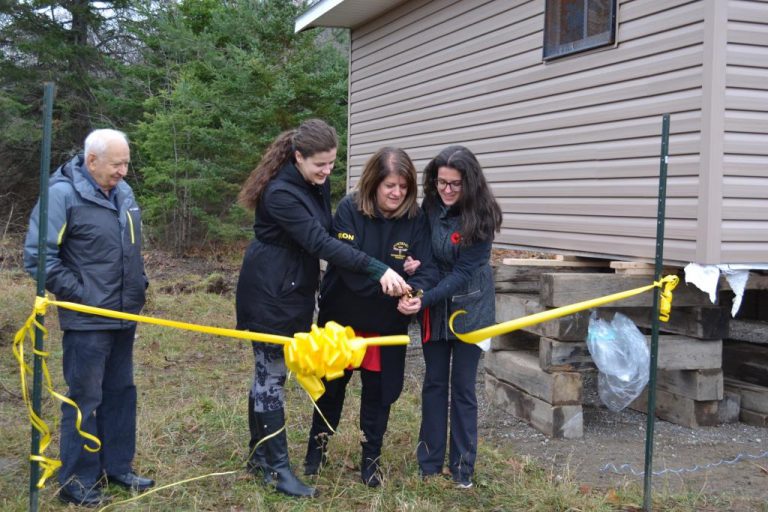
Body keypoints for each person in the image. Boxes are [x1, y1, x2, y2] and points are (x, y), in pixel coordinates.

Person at [235, 120, 409, 498]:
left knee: (269, 373)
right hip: (268, 291)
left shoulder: (312, 182)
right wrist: (377, 267)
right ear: (298, 157)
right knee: (270, 376)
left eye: (332, 163)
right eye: (320, 165)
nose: (328, 171)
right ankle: (277, 469)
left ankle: (258, 457)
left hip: (294, 289)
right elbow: (319, 241)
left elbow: (328, 232)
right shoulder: (281, 193)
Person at [23, 129, 154, 507]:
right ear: (91, 160)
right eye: (117, 164)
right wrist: (82, 295)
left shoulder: (124, 194)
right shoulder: (62, 195)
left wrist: (138, 284)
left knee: (121, 392)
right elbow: (39, 258)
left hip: (124, 314)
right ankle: (77, 479)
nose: (124, 171)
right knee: (85, 397)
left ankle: (117, 467)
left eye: (127, 162)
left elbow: (129, 249)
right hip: (87, 319)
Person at [301, 147, 438, 487]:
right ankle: (315, 452)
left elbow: (427, 269)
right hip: (342, 319)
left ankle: (370, 460)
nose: (396, 193)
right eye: (390, 185)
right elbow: (348, 265)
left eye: (403, 187)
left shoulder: (415, 219)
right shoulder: (349, 209)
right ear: (374, 183)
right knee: (330, 391)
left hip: (386, 325)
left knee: (379, 395)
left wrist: (414, 295)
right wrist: (389, 278)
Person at [398, 145, 502, 489]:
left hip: (471, 309)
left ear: (469, 183)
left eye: (454, 184)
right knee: (434, 383)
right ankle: (428, 463)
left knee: (463, 388)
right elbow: (422, 249)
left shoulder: (483, 216)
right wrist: (415, 263)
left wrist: (424, 295)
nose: (446, 190)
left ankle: (462, 469)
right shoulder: (428, 206)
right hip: (435, 313)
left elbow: (462, 272)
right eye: (441, 183)